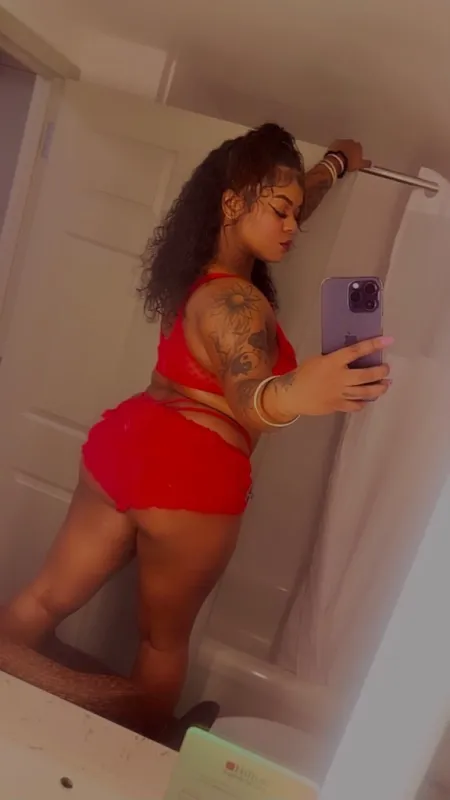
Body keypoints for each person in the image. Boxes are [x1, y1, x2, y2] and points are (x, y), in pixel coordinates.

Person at [0, 124, 391, 742]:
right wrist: (302, 393)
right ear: (233, 203)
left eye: (295, 211)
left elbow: (290, 198)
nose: (292, 225)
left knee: (45, 598)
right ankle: (134, 748)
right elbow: (252, 398)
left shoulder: (196, 273)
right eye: (281, 211)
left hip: (124, 448)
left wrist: (334, 167)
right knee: (162, 643)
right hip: (191, 481)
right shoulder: (237, 304)